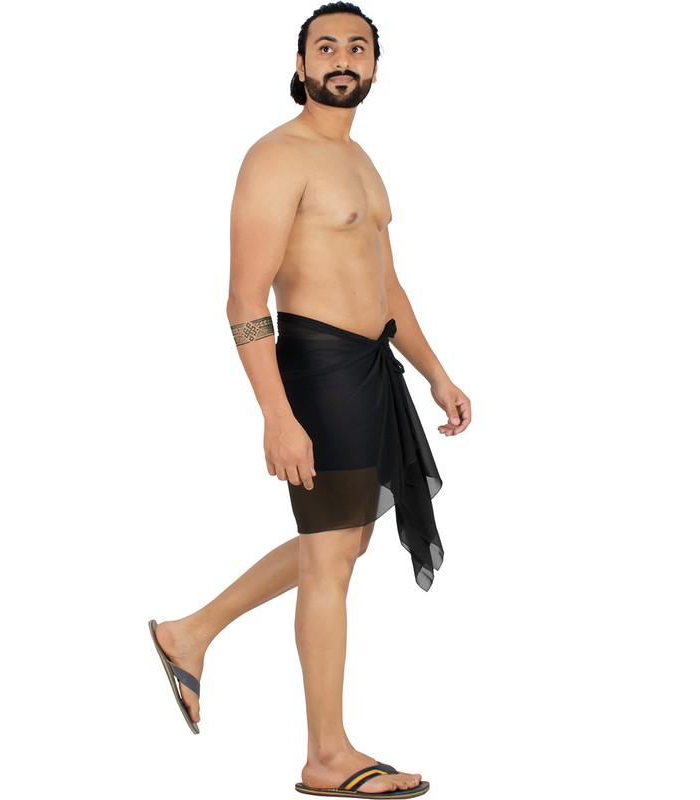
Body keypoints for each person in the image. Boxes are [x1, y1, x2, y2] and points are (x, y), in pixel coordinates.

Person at [149, 3, 471, 797]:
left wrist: (436, 372)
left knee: (344, 541)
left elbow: (388, 287)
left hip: (372, 368)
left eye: (357, 48)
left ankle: (189, 632)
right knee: (332, 556)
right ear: (300, 65)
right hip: (318, 370)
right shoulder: (276, 157)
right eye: (325, 47)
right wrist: (276, 414)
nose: (342, 58)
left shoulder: (361, 162)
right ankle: (326, 756)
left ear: (374, 68)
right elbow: (243, 297)